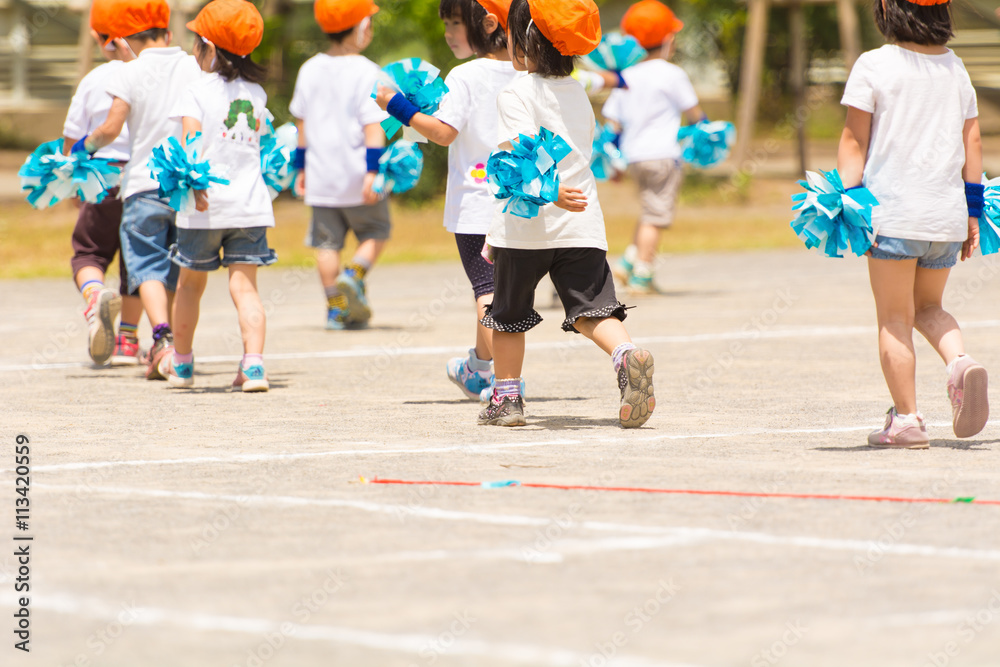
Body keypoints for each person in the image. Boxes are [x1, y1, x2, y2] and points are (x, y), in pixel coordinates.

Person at [478, 0, 655, 428]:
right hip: (582, 225)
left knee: (507, 314)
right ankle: (626, 354)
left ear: (525, 41)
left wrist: (548, 194)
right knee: (595, 310)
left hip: (525, 228)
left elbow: (519, 157)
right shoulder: (578, 91)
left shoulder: (516, 92)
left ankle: (507, 400)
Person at [838, 0, 986, 448]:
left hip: (893, 216)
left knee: (895, 318)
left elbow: (853, 140)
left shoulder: (874, 64)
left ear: (886, 8)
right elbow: (973, 140)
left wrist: (846, 203)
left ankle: (907, 420)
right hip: (945, 218)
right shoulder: (954, 67)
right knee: (929, 309)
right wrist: (974, 213)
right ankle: (959, 362)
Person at [375, 0, 519, 401]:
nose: (448, 32)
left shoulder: (465, 75)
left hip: (476, 205)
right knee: (496, 290)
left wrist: (396, 107)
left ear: (489, 23)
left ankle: (507, 384)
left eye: (455, 23)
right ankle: (478, 368)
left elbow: (442, 133)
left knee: (487, 291)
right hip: (520, 202)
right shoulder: (528, 72)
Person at [81, 0, 202, 379]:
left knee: (145, 267)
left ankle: (162, 338)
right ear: (167, 32)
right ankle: (171, 348)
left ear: (125, 40)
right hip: (180, 184)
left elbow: (112, 128)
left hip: (142, 186)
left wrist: (85, 148)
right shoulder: (190, 64)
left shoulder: (128, 71)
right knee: (172, 268)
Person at [164, 0, 276, 392]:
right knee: (245, 287)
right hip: (250, 207)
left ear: (208, 48)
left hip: (204, 207)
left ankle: (181, 365)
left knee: (189, 286)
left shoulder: (195, 92)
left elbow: (190, 144)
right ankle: (255, 366)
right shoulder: (258, 95)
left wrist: (195, 186)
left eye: (197, 41)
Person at [290, 0, 390, 330]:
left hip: (321, 176)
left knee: (326, 244)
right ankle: (354, 274)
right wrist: (373, 171)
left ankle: (336, 309)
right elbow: (373, 127)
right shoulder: (369, 71)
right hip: (358, 173)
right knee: (376, 230)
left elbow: (301, 125)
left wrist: (300, 168)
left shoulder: (309, 69)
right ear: (361, 28)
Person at [63, 0, 145, 367]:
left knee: (89, 252)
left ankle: (96, 296)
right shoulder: (147, 75)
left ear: (98, 37)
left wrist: (70, 174)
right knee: (138, 260)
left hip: (101, 177)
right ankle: (128, 341)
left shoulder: (94, 80)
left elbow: (70, 140)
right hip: (143, 179)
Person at [604, 0, 705, 295]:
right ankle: (643, 275)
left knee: (649, 210)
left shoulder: (627, 75)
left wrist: (613, 161)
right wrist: (705, 130)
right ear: (668, 39)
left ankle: (628, 261)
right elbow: (695, 113)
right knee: (656, 216)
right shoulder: (672, 73)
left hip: (635, 157)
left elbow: (613, 122)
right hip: (663, 156)